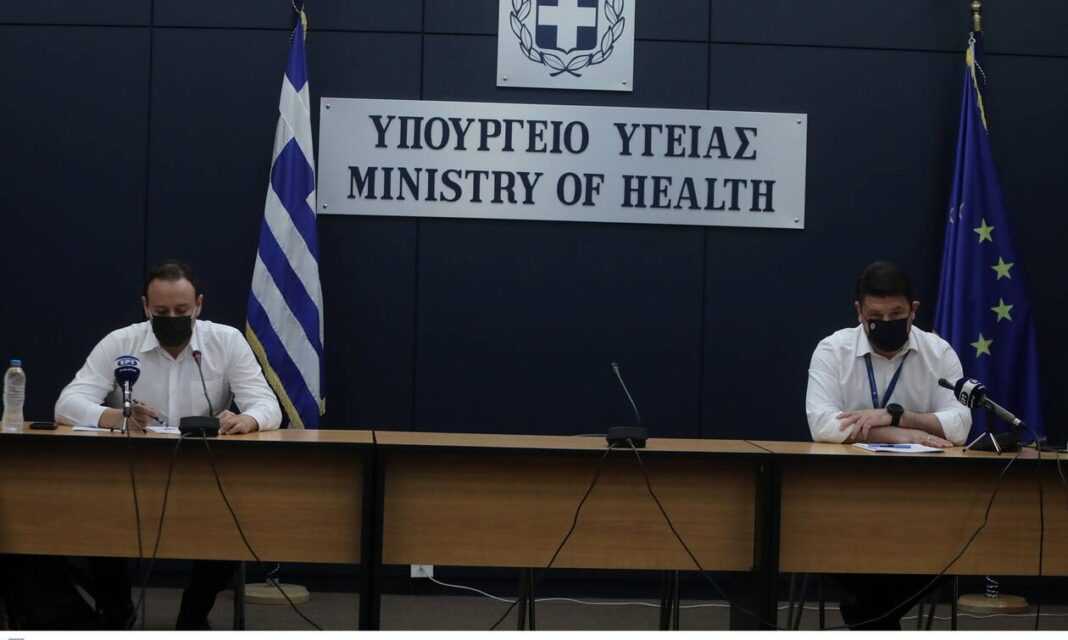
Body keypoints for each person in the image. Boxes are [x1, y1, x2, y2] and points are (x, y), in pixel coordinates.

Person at [55, 260, 282, 629]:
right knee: (96, 517)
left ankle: (193, 615)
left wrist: (248, 419)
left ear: (199, 305)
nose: (172, 318)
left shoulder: (225, 341)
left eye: (181, 310)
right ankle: (117, 613)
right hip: (129, 474)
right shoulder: (121, 342)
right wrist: (116, 416)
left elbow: (267, 405)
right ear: (146, 307)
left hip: (206, 475)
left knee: (234, 518)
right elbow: (67, 403)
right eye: (161, 312)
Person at [805, 261, 972, 629]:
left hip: (922, 508)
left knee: (879, 592)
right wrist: (899, 434)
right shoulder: (833, 350)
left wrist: (898, 417)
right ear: (859, 312)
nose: (886, 322)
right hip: (844, 506)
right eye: (875, 317)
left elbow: (959, 425)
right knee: (862, 581)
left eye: (896, 315)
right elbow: (822, 423)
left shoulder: (938, 352)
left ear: (913, 310)